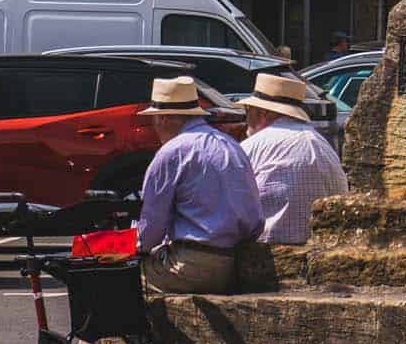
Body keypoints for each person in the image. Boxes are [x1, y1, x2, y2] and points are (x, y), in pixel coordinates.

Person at [136, 76, 262, 295]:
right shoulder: (231, 145)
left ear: (163, 119)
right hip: (232, 262)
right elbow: (254, 220)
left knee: (123, 279)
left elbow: (151, 230)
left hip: (190, 264)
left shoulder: (172, 152)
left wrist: (136, 248)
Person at [240, 71, 349, 246]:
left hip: (267, 251)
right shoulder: (322, 145)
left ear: (262, 113)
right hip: (324, 248)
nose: (245, 119)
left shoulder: (253, 146)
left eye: (247, 110)